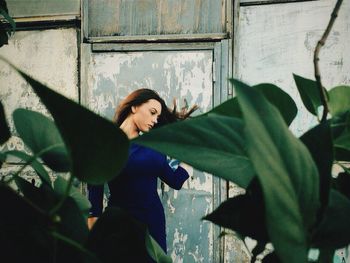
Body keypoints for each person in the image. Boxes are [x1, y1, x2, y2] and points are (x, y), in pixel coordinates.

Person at [87, 88, 196, 254]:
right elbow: (94, 200)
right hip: (120, 224)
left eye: (157, 117)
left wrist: (193, 156)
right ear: (134, 107)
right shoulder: (107, 143)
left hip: (153, 222)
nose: (154, 120)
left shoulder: (153, 146)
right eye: (152, 112)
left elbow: (174, 180)